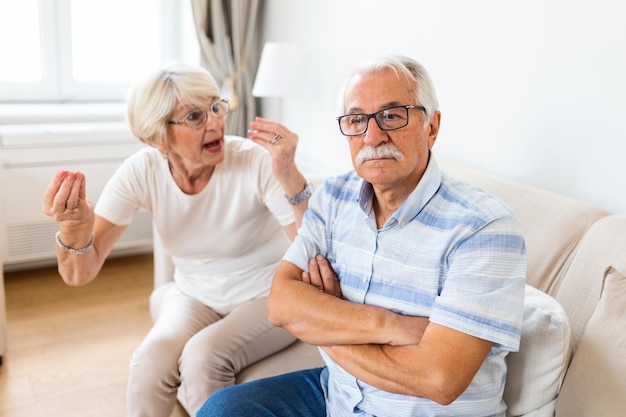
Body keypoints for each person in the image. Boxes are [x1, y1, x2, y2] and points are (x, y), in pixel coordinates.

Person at [197, 55, 527, 417]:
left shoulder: (483, 227)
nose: (372, 136)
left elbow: (438, 379)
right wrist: (388, 324)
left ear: (431, 126)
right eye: (356, 120)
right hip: (337, 395)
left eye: (391, 115)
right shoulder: (333, 195)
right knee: (222, 410)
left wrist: (325, 320)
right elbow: (281, 304)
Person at [41, 63, 314, 417]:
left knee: (203, 357)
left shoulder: (255, 161)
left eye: (217, 106)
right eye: (195, 116)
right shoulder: (142, 170)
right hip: (195, 294)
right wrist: (74, 227)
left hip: (267, 293)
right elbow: (79, 274)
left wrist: (291, 176)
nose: (215, 122)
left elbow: (312, 247)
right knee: (148, 362)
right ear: (159, 137)